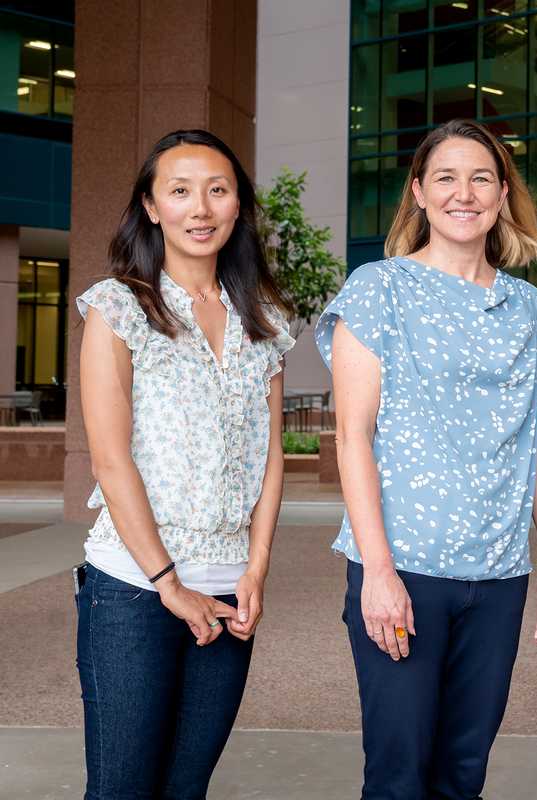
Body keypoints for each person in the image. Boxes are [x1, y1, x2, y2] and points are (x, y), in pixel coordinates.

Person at [315, 118, 537, 800]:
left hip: (498, 578)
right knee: (398, 776)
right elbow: (353, 436)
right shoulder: (379, 289)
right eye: (447, 177)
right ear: (420, 193)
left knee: (463, 776)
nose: (466, 192)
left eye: (482, 177)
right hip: (404, 570)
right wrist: (377, 571)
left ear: (503, 194)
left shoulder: (528, 307)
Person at [75, 129, 294, 799]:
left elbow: (272, 456)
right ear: (150, 206)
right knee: (122, 790)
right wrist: (170, 584)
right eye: (180, 191)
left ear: (238, 207)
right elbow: (112, 462)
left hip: (229, 587)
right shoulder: (116, 308)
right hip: (133, 589)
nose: (200, 208)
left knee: (185, 789)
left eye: (218, 191)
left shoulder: (267, 318)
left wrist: (254, 570)